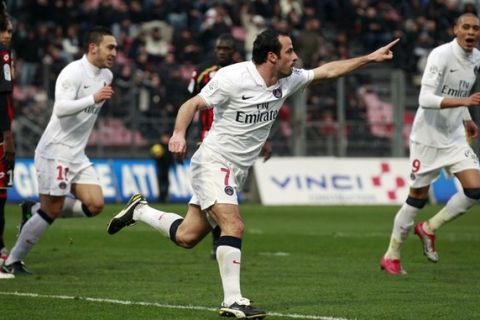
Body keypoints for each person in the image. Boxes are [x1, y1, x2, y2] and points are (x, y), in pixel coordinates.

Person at [108, 29, 397, 318]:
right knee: (233, 225)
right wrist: (178, 134)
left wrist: (369, 58)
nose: (296, 57)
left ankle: (140, 210)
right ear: (272, 56)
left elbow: (328, 71)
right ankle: (233, 300)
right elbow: (192, 103)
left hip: (237, 171)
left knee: (187, 236)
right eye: (289, 51)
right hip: (213, 161)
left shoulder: (289, 79)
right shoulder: (233, 78)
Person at [1, 26, 117, 275]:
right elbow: (61, 108)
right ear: (93, 47)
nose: (114, 53)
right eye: (110, 47)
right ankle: (12, 261)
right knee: (52, 209)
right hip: (55, 149)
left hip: (77, 153)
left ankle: (32, 210)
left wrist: (95, 97)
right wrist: (93, 99)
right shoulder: (73, 72)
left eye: (116, 48)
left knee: (95, 205)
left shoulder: (107, 75)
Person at [380, 13, 480, 276]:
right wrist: (464, 104)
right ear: (455, 30)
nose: (471, 32)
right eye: (466, 27)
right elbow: (425, 98)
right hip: (427, 138)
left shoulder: (476, 58)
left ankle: (429, 228)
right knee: (417, 198)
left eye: (476, 28)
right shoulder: (441, 55)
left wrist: (467, 118)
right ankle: (392, 254)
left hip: (454, 135)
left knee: (475, 189)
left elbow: (461, 93)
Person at [189, 33, 272, 260]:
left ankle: (219, 242)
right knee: (221, 201)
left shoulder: (244, 73)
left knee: (192, 229)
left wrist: (262, 140)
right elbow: (192, 104)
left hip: (234, 140)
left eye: (226, 48)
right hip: (210, 140)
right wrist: (186, 135)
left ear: (234, 51)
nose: (222, 52)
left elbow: (254, 112)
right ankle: (220, 245)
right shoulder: (203, 72)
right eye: (219, 48)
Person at [0, 3, 15, 280]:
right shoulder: (2, 54)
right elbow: (3, 99)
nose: (9, 35)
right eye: (6, 30)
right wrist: (7, 138)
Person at [150, 132, 174, 203]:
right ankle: (161, 197)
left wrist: (172, 163)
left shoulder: (169, 146)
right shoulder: (158, 146)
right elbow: (153, 155)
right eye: (164, 137)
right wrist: (156, 156)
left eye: (166, 137)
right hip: (160, 168)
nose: (165, 139)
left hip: (167, 168)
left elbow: (171, 157)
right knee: (161, 183)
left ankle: (165, 196)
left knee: (166, 183)